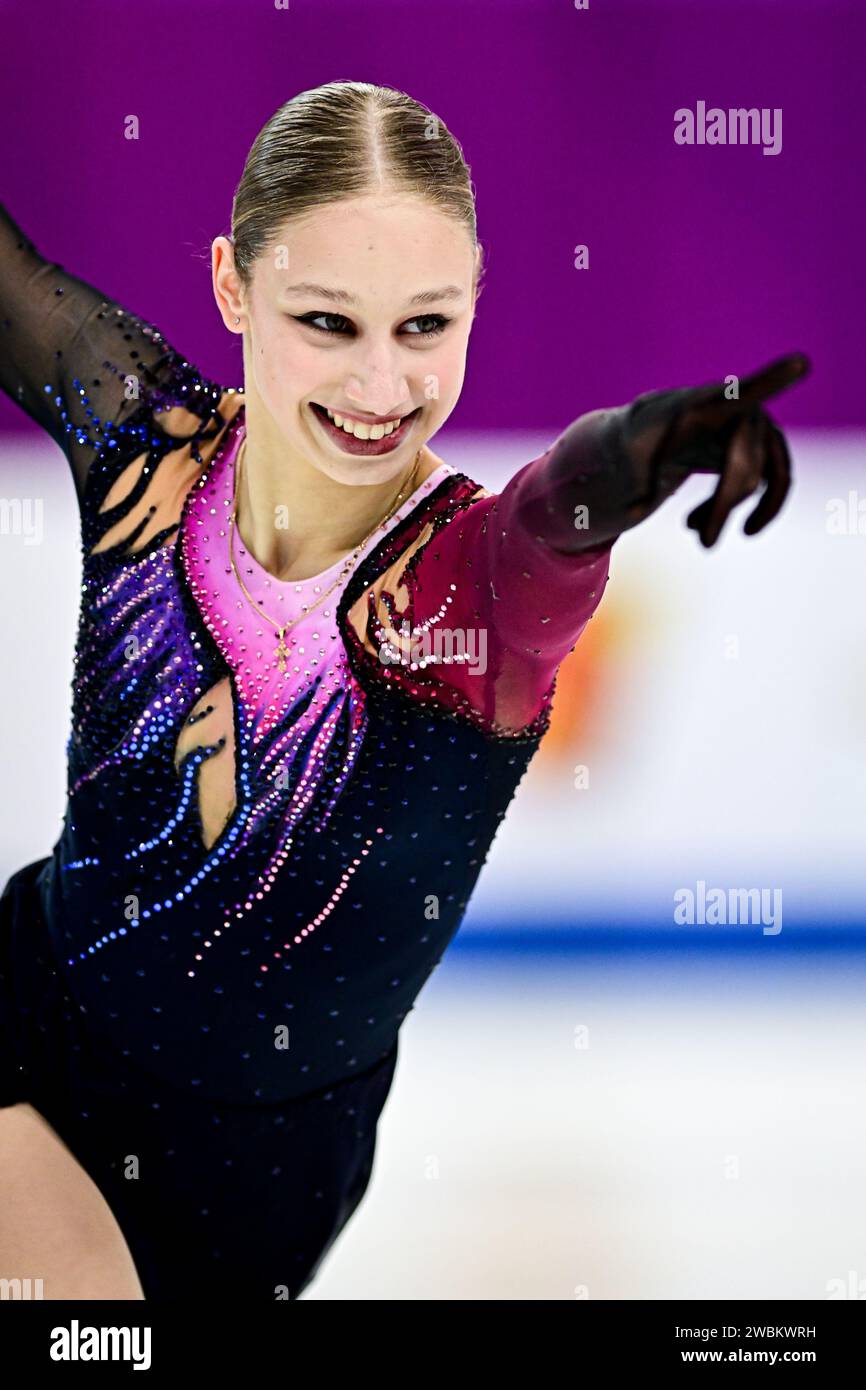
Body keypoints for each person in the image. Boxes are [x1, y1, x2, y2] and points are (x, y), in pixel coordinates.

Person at [0, 80, 809, 1300]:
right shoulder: (146, 446)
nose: (380, 385)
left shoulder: (470, 596)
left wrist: (648, 443)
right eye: (326, 321)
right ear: (233, 285)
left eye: (423, 327)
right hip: (30, 1007)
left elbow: (560, 509)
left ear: (475, 297)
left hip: (260, 1178)